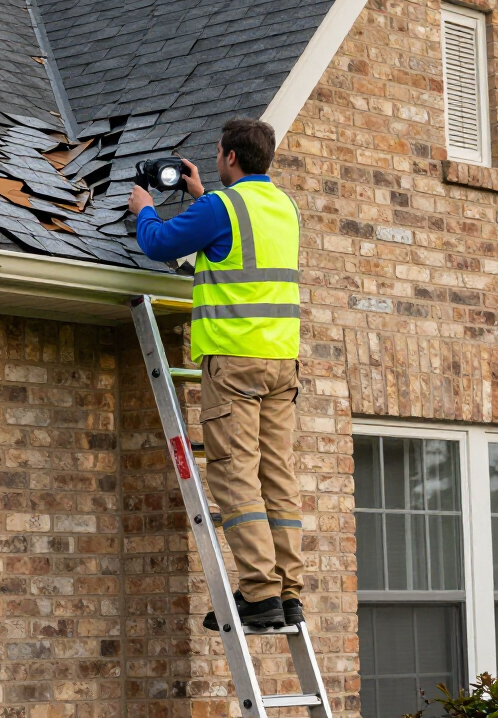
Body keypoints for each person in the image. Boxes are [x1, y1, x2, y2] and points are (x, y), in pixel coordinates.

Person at [127, 117, 303, 630]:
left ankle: (259, 594)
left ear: (229, 156)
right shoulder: (284, 208)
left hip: (234, 362)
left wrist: (146, 210)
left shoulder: (221, 208)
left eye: (219, 153)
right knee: (278, 477)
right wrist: (202, 193)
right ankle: (288, 593)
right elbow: (237, 244)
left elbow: (159, 244)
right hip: (281, 363)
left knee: (234, 474)